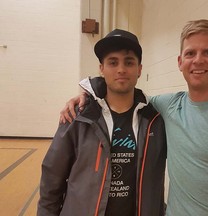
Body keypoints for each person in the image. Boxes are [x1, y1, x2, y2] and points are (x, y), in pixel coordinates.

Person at [59, 19, 208, 215]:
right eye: (190, 53)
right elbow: (123, 94)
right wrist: (88, 95)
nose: (198, 60)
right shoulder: (166, 105)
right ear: (180, 62)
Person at [38, 29, 167, 216]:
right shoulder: (78, 116)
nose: (121, 69)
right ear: (102, 69)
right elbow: (52, 179)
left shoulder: (156, 120)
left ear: (139, 69)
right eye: (113, 62)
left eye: (129, 62)